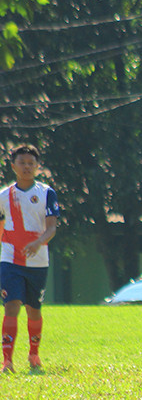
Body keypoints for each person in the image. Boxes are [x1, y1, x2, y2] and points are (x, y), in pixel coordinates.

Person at [1, 145, 59, 373]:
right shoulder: (4, 196)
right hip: (10, 259)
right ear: (13, 166)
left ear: (37, 167)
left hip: (38, 261)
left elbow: (52, 227)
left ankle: (34, 354)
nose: (26, 166)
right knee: (11, 306)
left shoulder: (47, 193)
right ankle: (7, 360)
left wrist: (38, 242)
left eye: (30, 163)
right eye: (22, 162)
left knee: (34, 309)